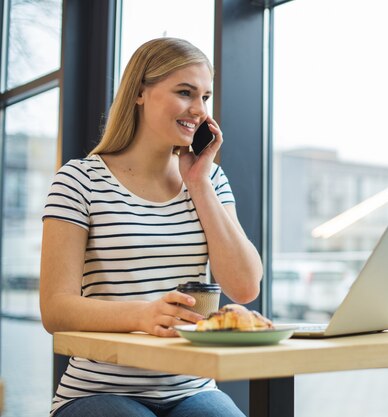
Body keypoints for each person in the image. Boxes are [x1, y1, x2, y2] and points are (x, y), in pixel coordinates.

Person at [39, 37, 263, 417]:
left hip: (192, 387)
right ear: (140, 92)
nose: (199, 110)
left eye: (205, 97)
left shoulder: (210, 181)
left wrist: (198, 184)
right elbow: (55, 309)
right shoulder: (79, 180)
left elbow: (244, 287)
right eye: (185, 92)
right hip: (97, 390)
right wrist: (143, 315)